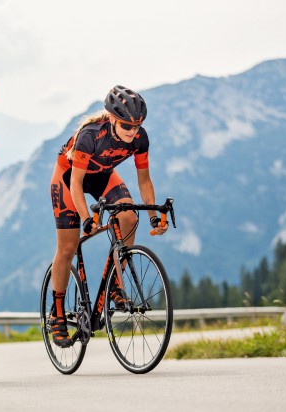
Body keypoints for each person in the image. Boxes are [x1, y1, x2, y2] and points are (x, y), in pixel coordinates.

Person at [49, 85, 168, 347]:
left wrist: (153, 216)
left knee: (128, 216)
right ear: (112, 119)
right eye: (127, 126)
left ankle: (115, 283)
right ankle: (56, 314)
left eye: (137, 126)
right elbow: (76, 185)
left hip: (102, 176)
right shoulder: (89, 136)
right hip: (69, 179)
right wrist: (87, 218)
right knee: (67, 247)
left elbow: (144, 181)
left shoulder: (140, 139)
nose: (133, 132)